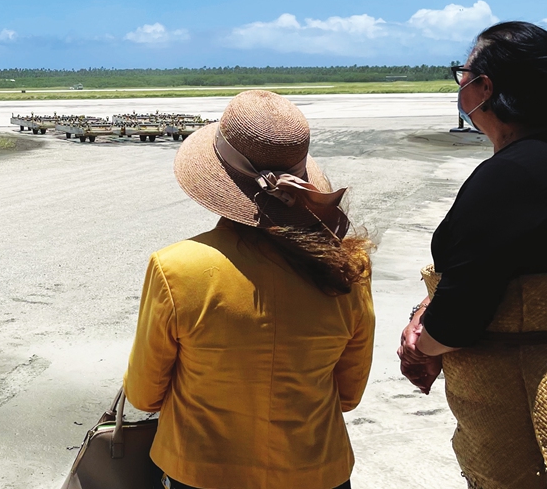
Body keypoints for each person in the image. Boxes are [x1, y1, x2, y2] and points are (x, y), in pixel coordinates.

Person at [398, 21, 547, 488]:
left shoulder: (508, 177)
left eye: (463, 74)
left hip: (532, 405)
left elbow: (459, 319)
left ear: (484, 88)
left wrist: (418, 345)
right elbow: (504, 265)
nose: (460, 85)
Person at [125, 90, 375, 489]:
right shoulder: (348, 268)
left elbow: (143, 394)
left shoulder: (176, 267)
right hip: (317, 471)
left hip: (201, 473)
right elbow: (348, 394)